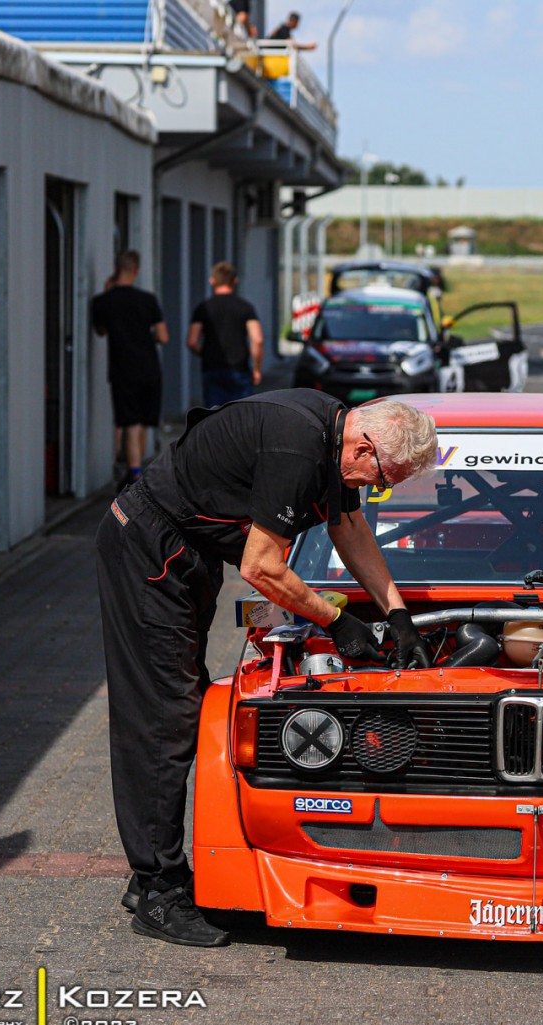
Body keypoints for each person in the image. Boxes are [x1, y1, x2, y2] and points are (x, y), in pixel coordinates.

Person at [97, 393, 438, 946]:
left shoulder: (336, 431)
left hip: (186, 550)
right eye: (383, 480)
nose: (380, 490)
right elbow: (260, 567)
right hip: (149, 548)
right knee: (164, 716)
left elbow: (349, 526)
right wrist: (336, 621)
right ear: (363, 448)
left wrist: (398, 615)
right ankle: (158, 890)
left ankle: (152, 874)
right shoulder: (297, 451)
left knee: (177, 705)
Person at [91, 251, 168, 488]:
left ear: (116, 269)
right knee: (142, 423)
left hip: (123, 368)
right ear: (136, 270)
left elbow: (100, 331)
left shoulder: (102, 302)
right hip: (149, 367)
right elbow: (163, 336)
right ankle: (136, 469)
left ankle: (134, 473)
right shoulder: (148, 300)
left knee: (130, 422)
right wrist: (145, 335)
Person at [187, 262, 263, 407]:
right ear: (235, 281)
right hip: (239, 368)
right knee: (241, 414)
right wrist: (257, 369)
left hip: (212, 368)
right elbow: (257, 340)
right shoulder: (245, 307)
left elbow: (192, 341)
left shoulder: (203, 308)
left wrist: (206, 354)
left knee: (214, 415)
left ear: (212, 281)